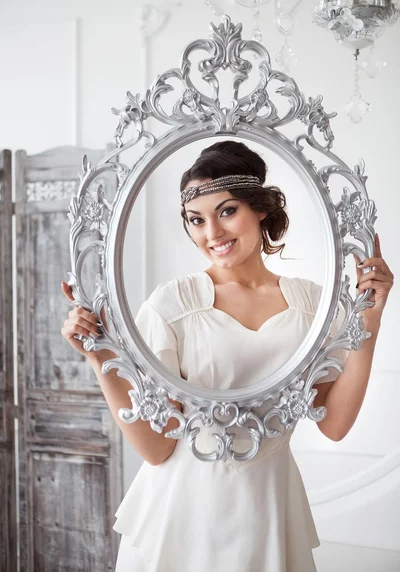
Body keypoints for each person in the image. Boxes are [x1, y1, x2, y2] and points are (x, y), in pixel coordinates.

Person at [61, 141, 394, 572]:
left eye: (226, 211)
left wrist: (370, 319)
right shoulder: (172, 304)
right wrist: (98, 357)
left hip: (269, 511)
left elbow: (333, 424)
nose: (211, 234)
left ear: (261, 208)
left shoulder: (315, 305)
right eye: (196, 220)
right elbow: (158, 448)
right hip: (180, 515)